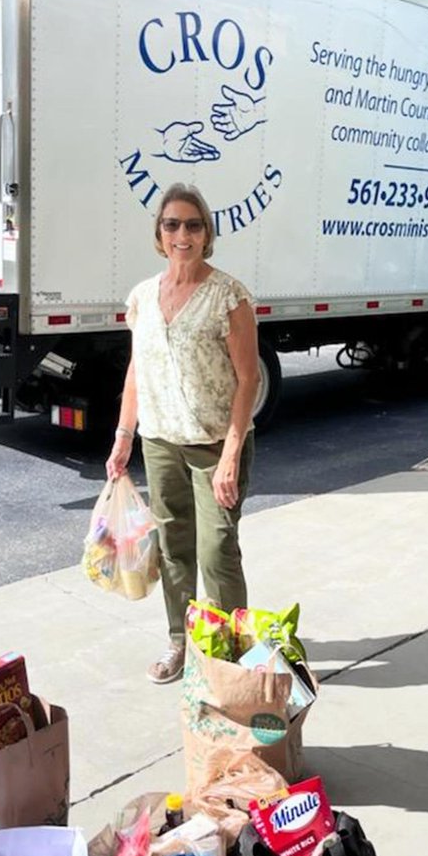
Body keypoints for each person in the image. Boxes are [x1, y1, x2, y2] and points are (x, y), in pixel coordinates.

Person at [106, 183, 259, 683]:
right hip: (160, 441)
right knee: (173, 546)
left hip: (215, 444)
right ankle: (182, 641)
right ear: (159, 234)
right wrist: (123, 436)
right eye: (172, 224)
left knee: (217, 550)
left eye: (193, 225)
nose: (182, 234)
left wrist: (232, 454)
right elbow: (137, 371)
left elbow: (248, 378)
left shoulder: (228, 296)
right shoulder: (143, 297)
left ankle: (234, 656)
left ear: (206, 233)